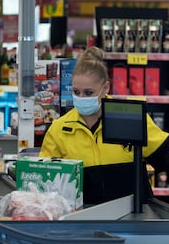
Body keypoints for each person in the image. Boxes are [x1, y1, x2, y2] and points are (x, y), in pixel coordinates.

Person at [39, 46, 169, 205]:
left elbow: (164, 154)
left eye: (88, 93)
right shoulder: (59, 129)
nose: (81, 98)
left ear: (105, 88)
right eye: (76, 92)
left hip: (132, 219)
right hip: (82, 219)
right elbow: (44, 180)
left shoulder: (130, 117)